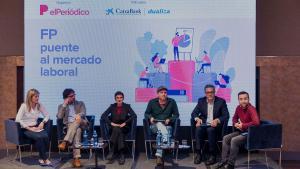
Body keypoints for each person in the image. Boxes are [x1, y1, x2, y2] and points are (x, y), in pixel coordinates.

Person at [216, 91, 260, 169]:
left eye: (245, 99)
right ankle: (223, 161)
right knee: (225, 138)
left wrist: (243, 125)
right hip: (243, 131)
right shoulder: (238, 108)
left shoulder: (251, 109)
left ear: (249, 99)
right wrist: (235, 123)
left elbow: (256, 122)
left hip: (250, 133)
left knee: (234, 140)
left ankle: (230, 165)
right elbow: (234, 118)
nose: (243, 101)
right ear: (239, 100)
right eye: (241, 99)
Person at [191, 84, 229, 165]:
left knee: (210, 129)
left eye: (211, 92)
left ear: (214, 92)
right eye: (208, 92)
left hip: (216, 127)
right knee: (198, 128)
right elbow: (194, 113)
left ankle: (213, 155)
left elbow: (226, 116)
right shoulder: (201, 101)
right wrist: (197, 119)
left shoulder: (221, 102)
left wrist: (217, 120)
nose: (210, 94)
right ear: (205, 93)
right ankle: (198, 153)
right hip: (204, 124)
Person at [144, 86, 179, 166]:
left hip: (167, 125)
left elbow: (176, 115)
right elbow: (146, 113)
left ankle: (159, 156)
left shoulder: (172, 102)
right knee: (162, 128)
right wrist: (150, 117)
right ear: (158, 94)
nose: (164, 94)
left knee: (162, 131)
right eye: (161, 92)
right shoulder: (152, 102)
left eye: (165, 93)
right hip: (154, 125)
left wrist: (170, 119)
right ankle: (167, 144)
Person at [15, 89, 51, 166]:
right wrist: (29, 128)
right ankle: (45, 158)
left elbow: (47, 115)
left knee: (45, 136)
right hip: (26, 129)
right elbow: (17, 119)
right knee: (39, 138)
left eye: (38, 96)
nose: (37, 98)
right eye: (36, 96)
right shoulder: (24, 106)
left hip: (36, 127)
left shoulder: (39, 105)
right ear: (30, 97)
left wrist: (42, 122)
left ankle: (41, 158)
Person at [101, 91, 137, 165]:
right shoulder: (112, 106)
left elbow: (134, 115)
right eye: (117, 98)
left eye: (121, 97)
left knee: (119, 130)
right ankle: (121, 154)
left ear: (123, 98)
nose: (119, 99)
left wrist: (125, 123)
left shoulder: (127, 106)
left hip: (124, 127)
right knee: (118, 130)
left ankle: (111, 151)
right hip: (114, 128)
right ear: (115, 99)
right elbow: (103, 116)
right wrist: (111, 123)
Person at [57, 88, 89, 168]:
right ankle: (77, 158)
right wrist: (64, 105)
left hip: (82, 122)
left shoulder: (80, 103)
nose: (73, 97)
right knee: (77, 131)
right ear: (66, 98)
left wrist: (79, 115)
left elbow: (83, 113)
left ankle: (65, 141)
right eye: (71, 96)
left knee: (77, 121)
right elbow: (59, 117)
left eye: (74, 95)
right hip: (70, 126)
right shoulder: (61, 106)